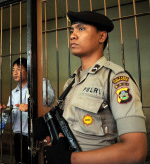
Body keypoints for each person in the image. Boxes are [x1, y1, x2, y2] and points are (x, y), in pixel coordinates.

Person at [43, 11, 147, 164]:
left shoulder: (115, 79)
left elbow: (136, 151)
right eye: (72, 30)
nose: (72, 35)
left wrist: (70, 159)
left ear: (101, 37)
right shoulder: (71, 82)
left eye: (81, 29)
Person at [0, 57, 55, 164]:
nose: (15, 72)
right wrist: (4, 111)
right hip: (18, 137)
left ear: (28, 69)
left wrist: (31, 106)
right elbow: (10, 119)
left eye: (19, 69)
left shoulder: (40, 83)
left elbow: (49, 101)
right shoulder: (14, 92)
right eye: (13, 70)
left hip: (36, 137)